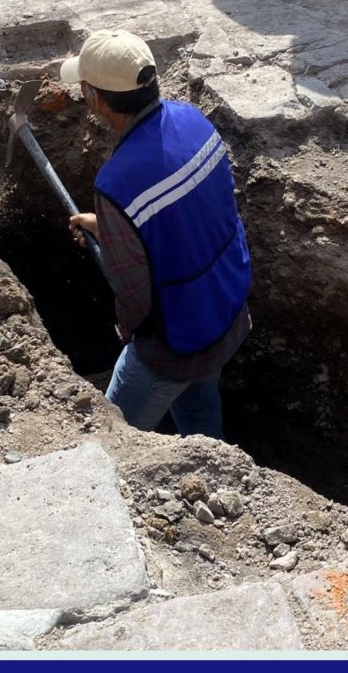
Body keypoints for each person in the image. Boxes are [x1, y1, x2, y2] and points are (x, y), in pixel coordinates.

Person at [60, 30, 252, 439]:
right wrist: (110, 227)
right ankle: (212, 470)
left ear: (95, 97)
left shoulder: (117, 183)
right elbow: (194, 214)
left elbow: (134, 291)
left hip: (173, 345)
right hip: (224, 311)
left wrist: (129, 330)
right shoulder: (193, 119)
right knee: (200, 409)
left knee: (116, 435)